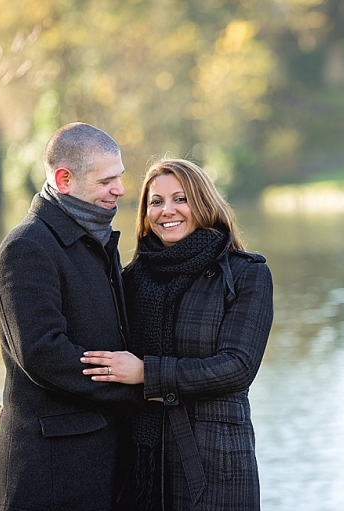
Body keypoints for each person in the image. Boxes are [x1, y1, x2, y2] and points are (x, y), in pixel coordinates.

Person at [81, 158, 274, 510]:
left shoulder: (246, 275)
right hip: (139, 460)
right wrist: (24, 394)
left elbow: (237, 367)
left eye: (180, 198)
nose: (166, 211)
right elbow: (90, 350)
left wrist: (146, 373)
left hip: (215, 461)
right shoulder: (131, 279)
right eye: (156, 202)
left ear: (203, 203)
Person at [0, 122, 145, 511]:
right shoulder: (27, 248)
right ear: (64, 179)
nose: (121, 190)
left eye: (120, 177)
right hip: (51, 472)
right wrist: (136, 386)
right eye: (106, 181)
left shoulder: (97, 239)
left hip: (100, 461)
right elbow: (43, 353)